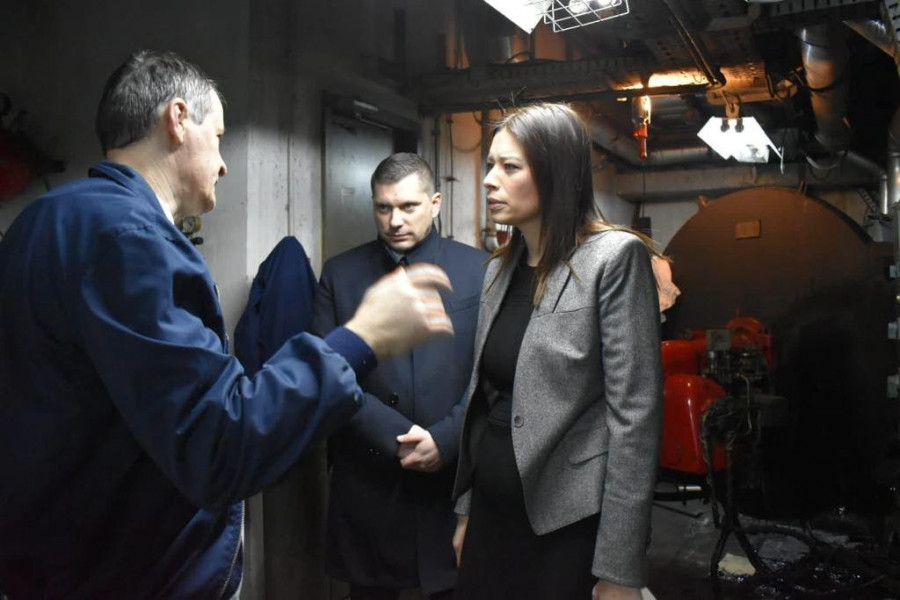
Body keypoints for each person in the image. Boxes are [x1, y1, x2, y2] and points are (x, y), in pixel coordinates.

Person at [0, 50, 454, 600]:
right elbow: (220, 442)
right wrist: (361, 338)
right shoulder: (127, 239)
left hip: (59, 561)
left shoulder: (45, 219)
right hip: (127, 575)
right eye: (218, 137)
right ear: (177, 120)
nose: (223, 164)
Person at [450, 103, 664, 600]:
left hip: (566, 526)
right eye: (490, 165)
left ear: (555, 173)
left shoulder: (613, 259)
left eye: (510, 167)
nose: (489, 180)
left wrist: (620, 569)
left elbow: (635, 418)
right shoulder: (498, 270)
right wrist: (465, 512)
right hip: (491, 514)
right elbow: (483, 402)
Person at [312, 153, 487, 599]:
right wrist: (398, 437)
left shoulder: (481, 270)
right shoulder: (340, 274)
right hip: (371, 480)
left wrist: (446, 439)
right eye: (383, 207)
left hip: (453, 482)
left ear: (435, 203)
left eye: (408, 207)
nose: (395, 221)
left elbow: (492, 372)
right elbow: (330, 375)